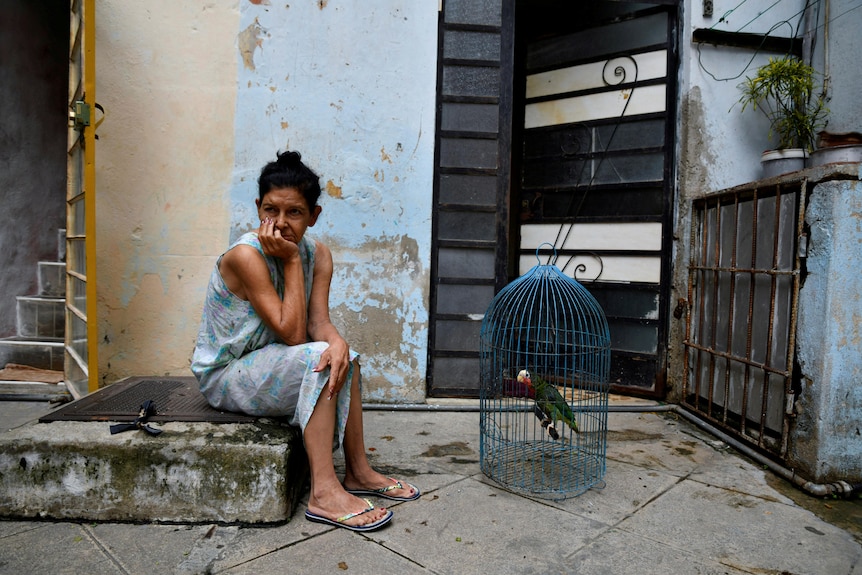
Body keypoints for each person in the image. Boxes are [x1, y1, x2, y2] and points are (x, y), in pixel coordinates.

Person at [191, 151, 419, 531]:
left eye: (294, 213)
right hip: (227, 374)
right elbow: (294, 335)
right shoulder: (247, 256)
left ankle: (359, 472)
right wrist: (292, 262)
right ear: (257, 209)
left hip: (271, 363)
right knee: (317, 358)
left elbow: (317, 324)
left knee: (345, 356)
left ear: (314, 215)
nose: (279, 224)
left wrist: (340, 342)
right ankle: (323, 492)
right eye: (270, 210)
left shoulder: (320, 254)